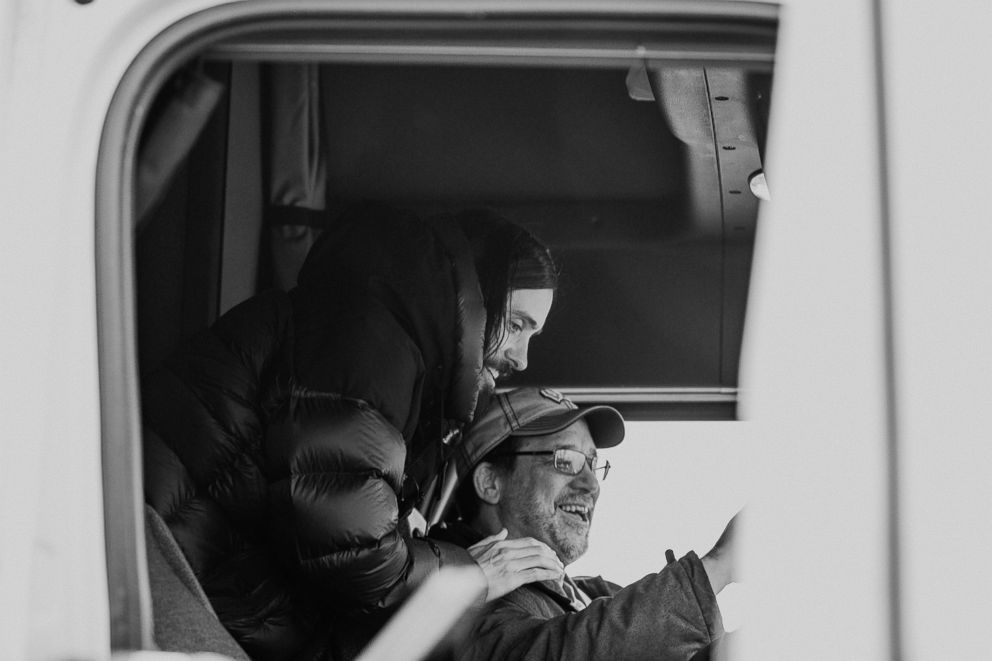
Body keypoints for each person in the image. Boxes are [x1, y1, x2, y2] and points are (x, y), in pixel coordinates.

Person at [141, 203, 563, 660]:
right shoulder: (373, 339)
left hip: (192, 577)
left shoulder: (386, 339)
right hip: (168, 577)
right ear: (478, 297)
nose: (520, 358)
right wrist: (470, 575)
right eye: (516, 324)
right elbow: (349, 544)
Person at [431, 387, 737, 661]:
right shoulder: (455, 594)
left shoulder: (587, 593)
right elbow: (557, 651)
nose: (591, 483)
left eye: (592, 463)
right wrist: (721, 564)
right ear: (490, 482)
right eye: (566, 460)